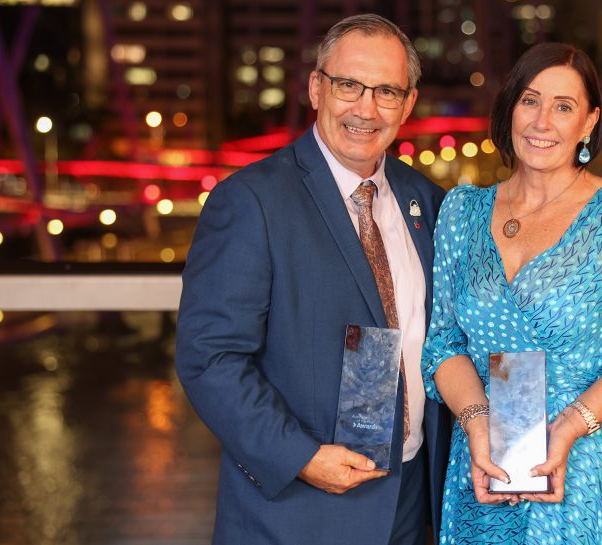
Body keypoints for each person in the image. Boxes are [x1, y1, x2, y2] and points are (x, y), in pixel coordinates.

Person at [176, 14, 450, 545]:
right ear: (316, 88)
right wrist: (299, 457)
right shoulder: (251, 200)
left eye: (386, 91)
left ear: (408, 104)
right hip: (300, 511)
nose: (365, 109)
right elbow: (209, 356)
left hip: (413, 499)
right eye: (349, 85)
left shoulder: (428, 202)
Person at [421, 43, 602, 544]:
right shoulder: (461, 210)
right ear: (509, 109)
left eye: (563, 107)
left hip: (580, 475)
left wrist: (564, 430)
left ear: (589, 123)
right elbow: (442, 344)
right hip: (481, 471)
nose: (542, 121)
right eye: (529, 100)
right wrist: (479, 427)